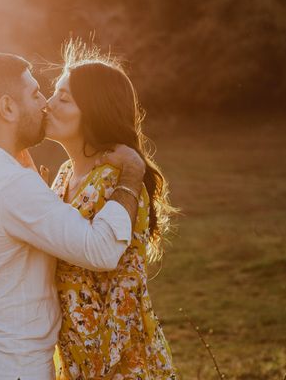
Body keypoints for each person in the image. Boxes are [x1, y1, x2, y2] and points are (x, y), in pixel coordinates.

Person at [0, 52, 146, 380]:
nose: (44, 104)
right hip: (9, 368)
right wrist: (132, 175)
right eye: (36, 93)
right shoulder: (10, 183)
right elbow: (102, 249)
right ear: (8, 107)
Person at [44, 41, 177, 379]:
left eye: (63, 98)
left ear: (94, 110)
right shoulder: (62, 176)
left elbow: (127, 284)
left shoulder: (116, 179)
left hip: (116, 361)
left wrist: (100, 368)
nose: (48, 105)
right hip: (74, 354)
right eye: (53, 94)